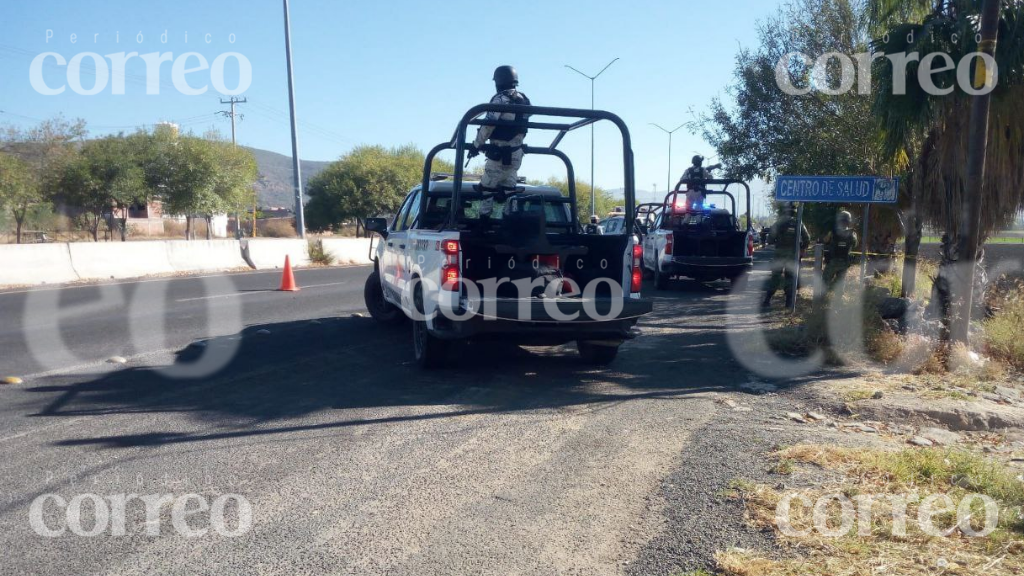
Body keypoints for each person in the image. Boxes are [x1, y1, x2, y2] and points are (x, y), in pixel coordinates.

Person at [468, 65, 532, 194]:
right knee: (509, 190)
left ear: (498, 81)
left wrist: (476, 145)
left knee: (487, 189)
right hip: (517, 154)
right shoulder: (525, 100)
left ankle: (485, 214)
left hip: (499, 154)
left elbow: (488, 125)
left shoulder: (500, 99)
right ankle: (511, 212)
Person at [763, 203, 810, 309]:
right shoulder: (799, 223)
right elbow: (807, 238)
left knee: (775, 276)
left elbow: (770, 239)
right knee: (790, 277)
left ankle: (767, 300)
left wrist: (775, 240)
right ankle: (789, 304)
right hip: (793, 254)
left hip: (779, 253)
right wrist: (801, 247)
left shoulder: (779, 223)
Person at [821, 210, 858, 289]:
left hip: (833, 260)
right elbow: (855, 244)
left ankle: (823, 298)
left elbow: (825, 241)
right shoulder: (852, 233)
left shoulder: (833, 231)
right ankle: (838, 299)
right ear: (849, 221)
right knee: (840, 282)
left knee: (825, 280)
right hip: (844, 261)